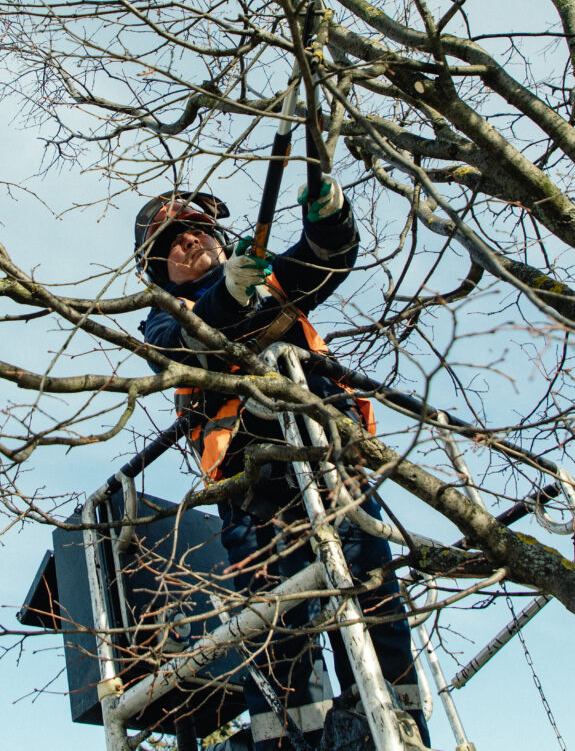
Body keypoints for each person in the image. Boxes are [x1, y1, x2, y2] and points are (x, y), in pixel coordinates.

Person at [134, 182, 429, 751]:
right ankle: (288, 738)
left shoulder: (269, 278)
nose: (188, 241)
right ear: (160, 269)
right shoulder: (167, 317)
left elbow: (326, 258)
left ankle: (393, 724)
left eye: (196, 231)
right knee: (274, 618)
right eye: (171, 243)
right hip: (251, 484)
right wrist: (227, 296)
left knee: (369, 582)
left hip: (328, 453)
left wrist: (330, 216)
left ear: (222, 242)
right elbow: (183, 348)